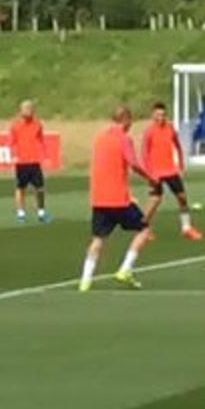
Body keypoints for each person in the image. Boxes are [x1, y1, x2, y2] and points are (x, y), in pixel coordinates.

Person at [78, 106, 158, 292]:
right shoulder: (124, 139)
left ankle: (85, 281)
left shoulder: (100, 139)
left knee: (98, 239)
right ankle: (125, 269)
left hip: (99, 198)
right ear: (126, 120)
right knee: (144, 230)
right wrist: (150, 179)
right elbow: (133, 163)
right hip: (118, 199)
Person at [142, 102, 203, 241]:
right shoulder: (149, 131)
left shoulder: (170, 129)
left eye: (163, 115)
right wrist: (149, 173)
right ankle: (143, 228)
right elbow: (144, 153)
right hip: (156, 172)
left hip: (170, 170)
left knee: (182, 198)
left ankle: (186, 228)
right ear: (153, 115)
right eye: (158, 115)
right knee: (155, 200)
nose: (160, 117)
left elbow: (178, 147)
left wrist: (180, 165)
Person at [9, 100, 50, 224]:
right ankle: (21, 213)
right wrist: (14, 155)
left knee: (40, 188)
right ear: (21, 111)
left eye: (30, 109)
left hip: (34, 161)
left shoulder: (37, 124)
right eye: (25, 109)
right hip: (21, 162)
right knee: (20, 188)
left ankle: (41, 212)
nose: (28, 111)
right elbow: (12, 142)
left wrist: (45, 156)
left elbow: (41, 140)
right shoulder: (15, 125)